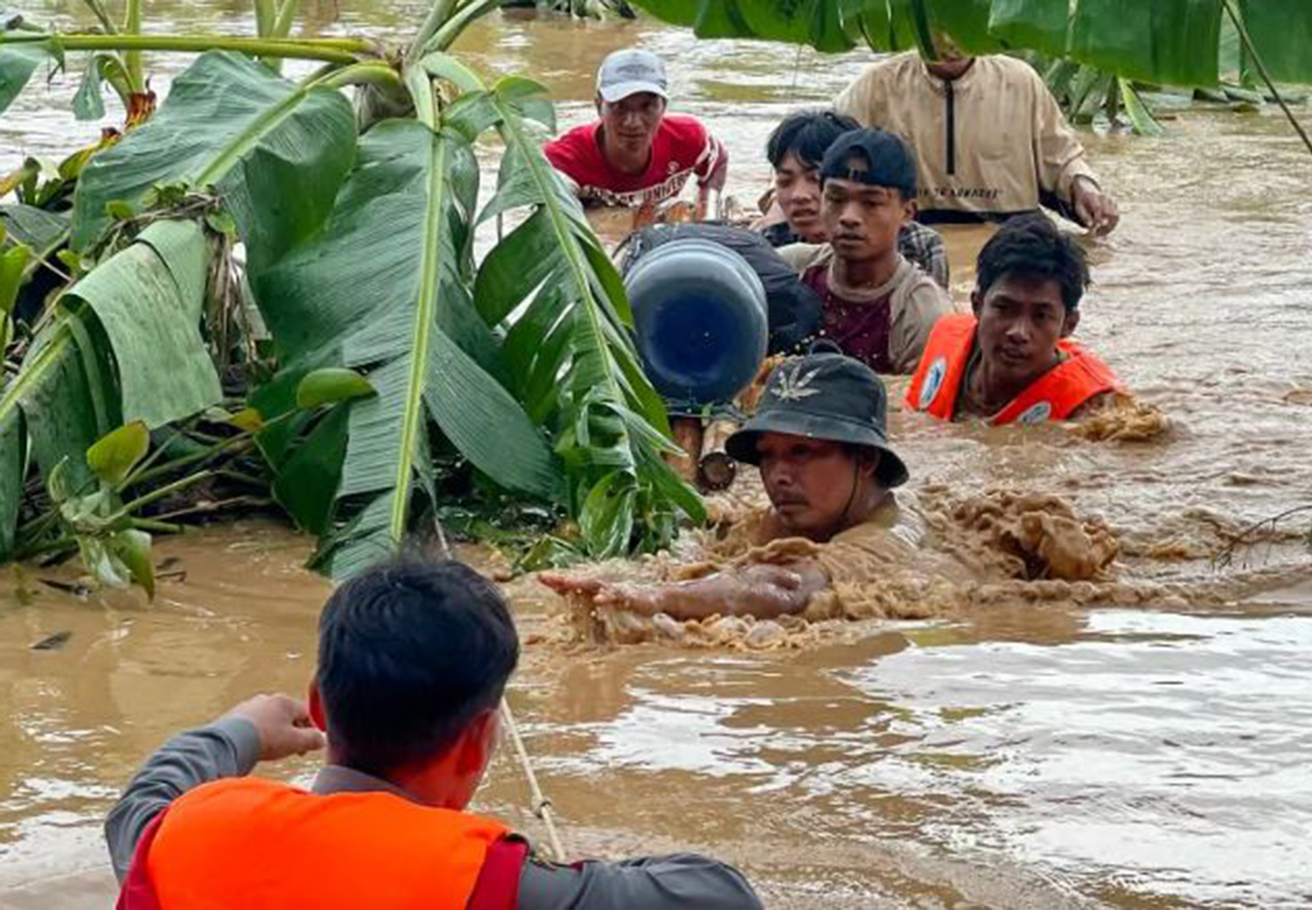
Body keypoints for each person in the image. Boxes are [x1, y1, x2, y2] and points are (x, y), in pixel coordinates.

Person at [105, 560, 764, 909]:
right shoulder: (491, 878)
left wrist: (240, 730)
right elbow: (721, 897)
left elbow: (145, 799)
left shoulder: (185, 835)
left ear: (319, 706)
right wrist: (572, 878)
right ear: (481, 738)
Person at [541, 353, 922, 622]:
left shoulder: (884, 541)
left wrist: (655, 597)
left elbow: (785, 589)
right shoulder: (788, 519)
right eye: (768, 456)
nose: (778, 476)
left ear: (866, 460)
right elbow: (711, 546)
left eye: (802, 452)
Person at [835, 33, 1120, 234]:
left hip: (1013, 235)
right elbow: (820, 154)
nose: (949, 41)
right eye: (938, 26)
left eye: (963, 27)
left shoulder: (1021, 82)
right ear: (916, 22)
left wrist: (1085, 188)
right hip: (913, 234)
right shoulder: (876, 85)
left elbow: (1063, 158)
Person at [905, 214, 1122, 424]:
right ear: (977, 305)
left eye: (1040, 316)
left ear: (1068, 325)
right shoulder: (945, 338)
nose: (1018, 332)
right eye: (1004, 308)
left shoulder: (1092, 407)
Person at [778, 128, 955, 374]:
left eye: (871, 203)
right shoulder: (790, 269)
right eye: (836, 199)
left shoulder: (922, 313)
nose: (849, 217)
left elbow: (915, 408)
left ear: (907, 213)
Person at [758, 109, 951, 289]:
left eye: (815, 179)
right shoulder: (769, 246)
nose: (798, 195)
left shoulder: (918, 246)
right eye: (784, 181)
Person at [544, 48, 727, 212]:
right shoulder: (564, 161)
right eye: (619, 107)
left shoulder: (689, 138)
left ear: (663, 107)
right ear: (599, 106)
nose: (633, 122)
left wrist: (708, 209)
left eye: (647, 107)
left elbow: (717, 159)